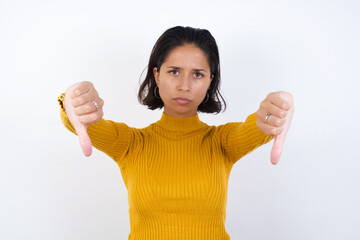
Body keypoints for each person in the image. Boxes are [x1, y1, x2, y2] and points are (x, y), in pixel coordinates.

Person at [58, 26, 294, 240]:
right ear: (157, 75)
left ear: (210, 81)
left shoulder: (223, 143)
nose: (185, 85)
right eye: (174, 72)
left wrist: (276, 107)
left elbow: (262, 124)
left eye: (198, 74)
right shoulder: (130, 144)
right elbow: (80, 121)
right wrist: (74, 100)